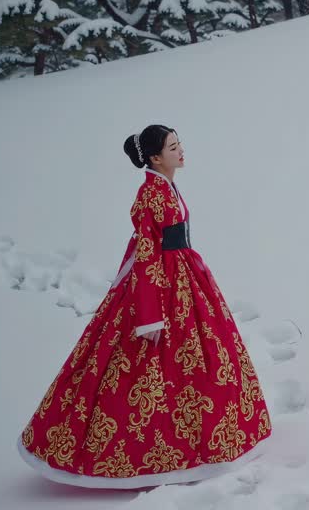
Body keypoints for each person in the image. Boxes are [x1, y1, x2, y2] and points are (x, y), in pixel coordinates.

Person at [16, 125, 272, 488]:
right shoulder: (150, 195)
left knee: (204, 359)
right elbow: (147, 251)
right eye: (172, 146)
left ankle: (209, 437)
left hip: (183, 273)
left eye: (179, 143)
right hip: (164, 280)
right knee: (148, 370)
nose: (181, 150)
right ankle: (156, 451)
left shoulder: (164, 186)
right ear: (155, 158)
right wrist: (149, 314)